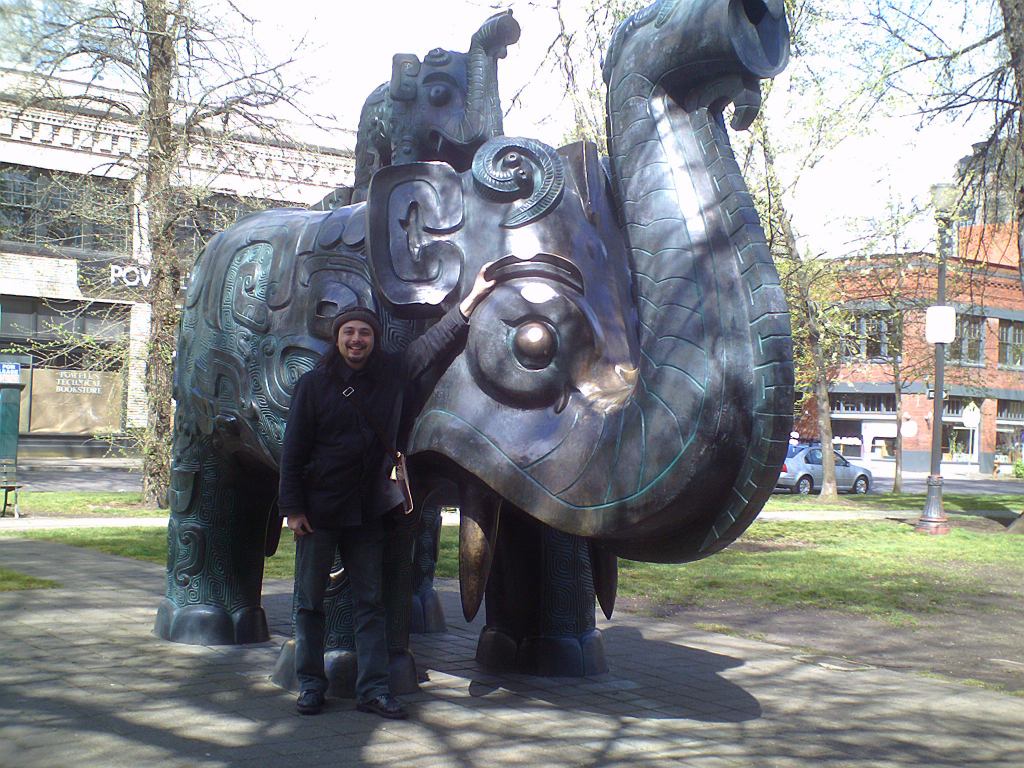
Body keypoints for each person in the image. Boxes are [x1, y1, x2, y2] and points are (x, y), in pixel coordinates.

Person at [277, 266, 494, 718]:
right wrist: (293, 509)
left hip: (368, 512)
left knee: (370, 604)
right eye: (349, 333)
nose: (357, 340)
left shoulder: (392, 374)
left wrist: (472, 298)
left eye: (364, 333)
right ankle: (311, 684)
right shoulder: (313, 385)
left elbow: (433, 344)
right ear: (338, 338)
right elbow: (292, 451)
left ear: (374, 340)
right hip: (319, 511)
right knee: (310, 603)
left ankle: (373, 690)